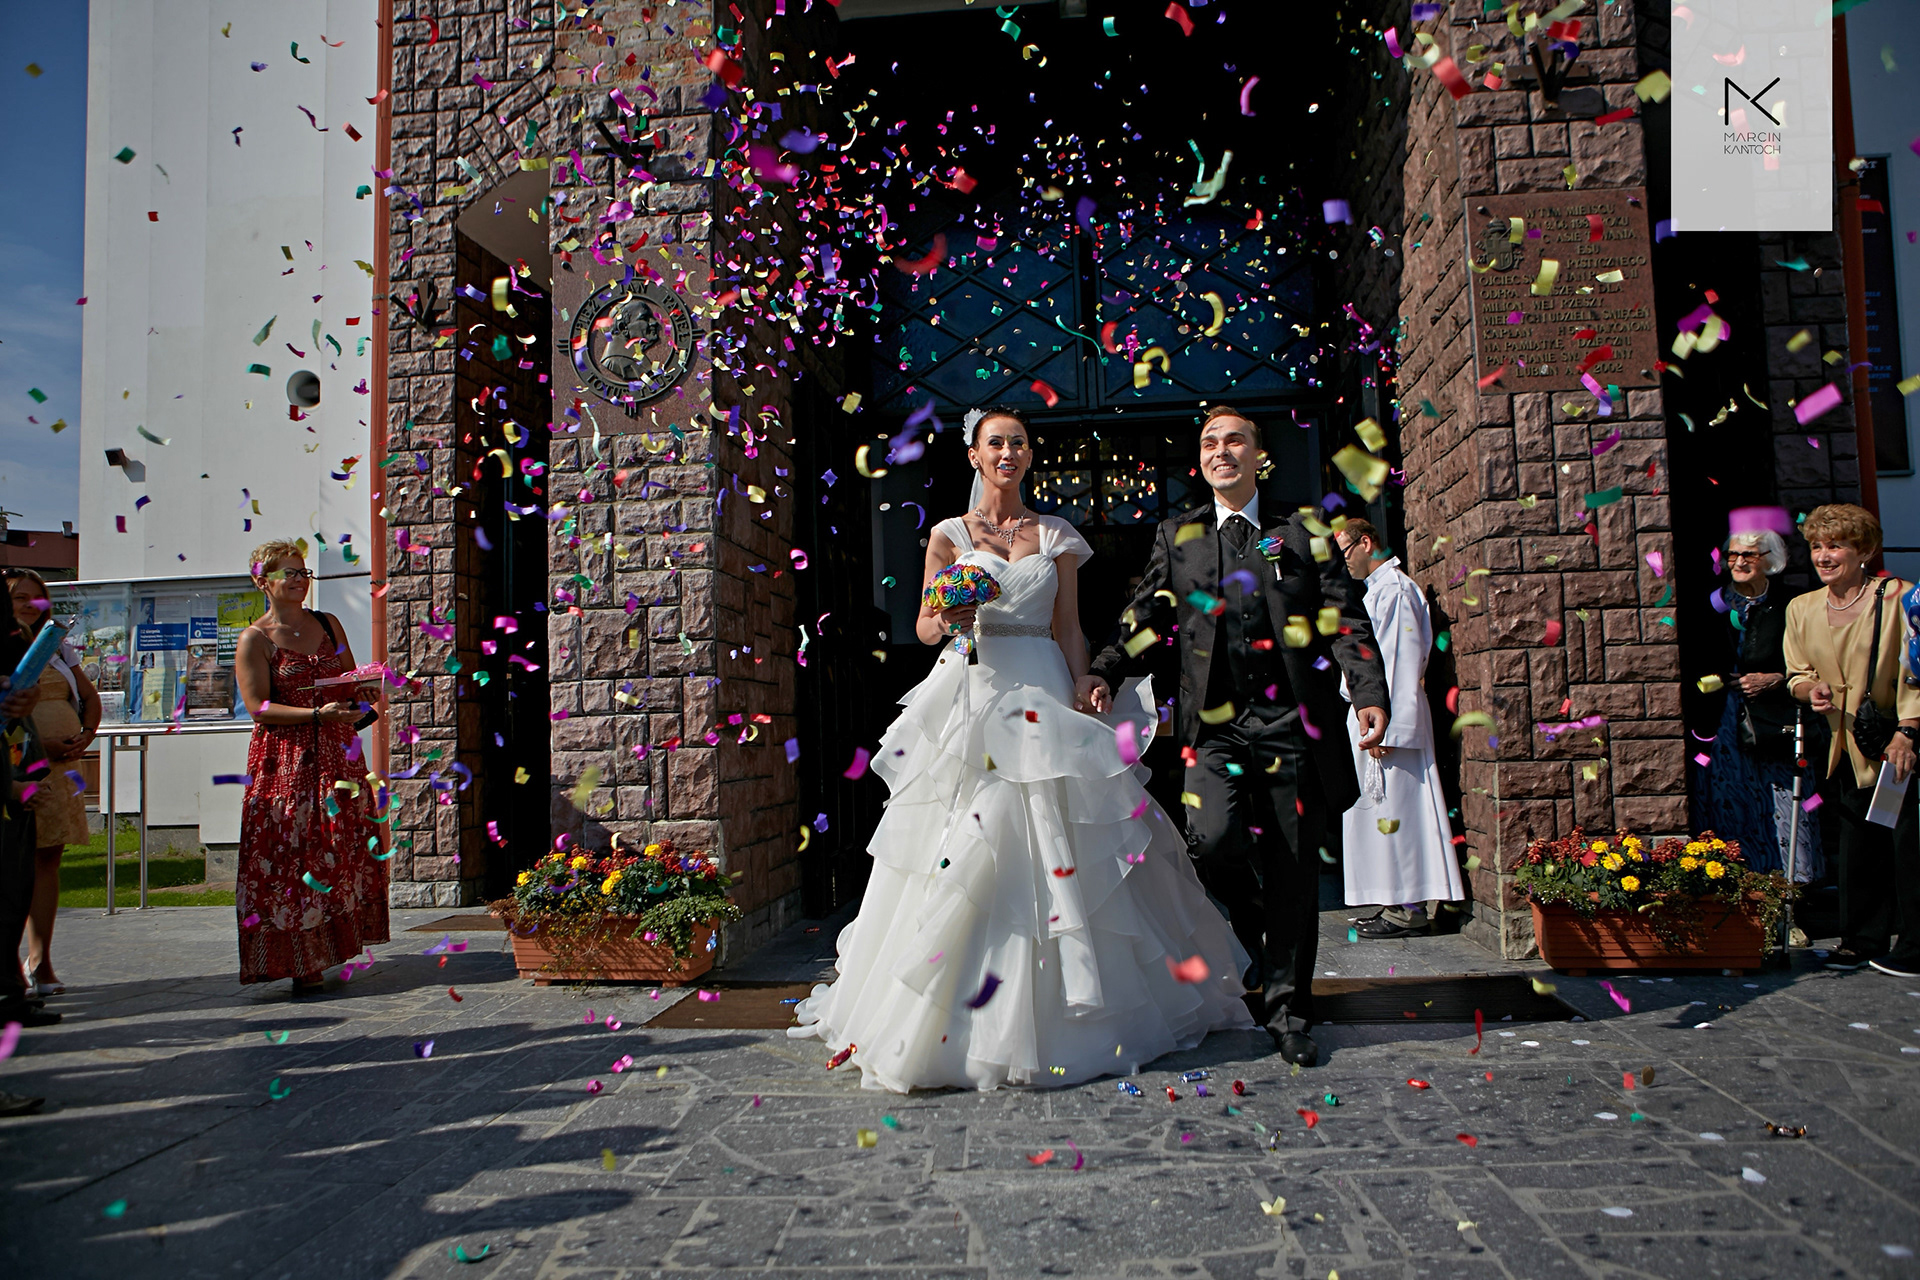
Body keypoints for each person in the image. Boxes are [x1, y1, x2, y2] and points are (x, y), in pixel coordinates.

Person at [787, 407, 1254, 1092]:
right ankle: (951, 1017)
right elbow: (924, 626)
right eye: (995, 443)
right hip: (974, 688)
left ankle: (1080, 1009)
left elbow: (1068, 628)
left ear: (1030, 455)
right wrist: (950, 616)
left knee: (1066, 833)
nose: (1007, 452)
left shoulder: (1056, 534)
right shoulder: (949, 534)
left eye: (1018, 443)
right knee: (965, 836)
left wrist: (1085, 684)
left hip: (1044, 686)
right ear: (974, 456)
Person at [1079, 405, 1390, 1067]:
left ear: (1258, 456)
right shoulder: (1179, 534)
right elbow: (1145, 614)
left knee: (1292, 866)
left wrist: (1367, 692)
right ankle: (1263, 930)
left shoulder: (1305, 529)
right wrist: (1105, 668)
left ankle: (1288, 1011)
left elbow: (1345, 619)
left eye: (1235, 440)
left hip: (1290, 725)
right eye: (1210, 443)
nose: (1221, 451)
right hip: (1213, 729)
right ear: (1201, 460)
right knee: (1212, 842)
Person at [233, 539, 388, 994]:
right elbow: (259, 707)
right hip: (287, 760)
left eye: (303, 572)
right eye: (289, 573)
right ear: (262, 581)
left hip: (337, 752)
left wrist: (364, 691)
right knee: (292, 853)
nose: (300, 580)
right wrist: (317, 714)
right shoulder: (255, 639)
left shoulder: (327, 622)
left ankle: (331, 946)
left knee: (336, 848)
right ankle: (299, 960)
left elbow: (349, 680)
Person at [1782, 504, 1920, 977]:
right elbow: (1797, 674)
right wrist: (1810, 690)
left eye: (1836, 545)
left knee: (1906, 844)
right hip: (1843, 741)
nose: (1824, 555)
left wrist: (1907, 732)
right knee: (1858, 842)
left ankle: (1915, 945)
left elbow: (1915, 671)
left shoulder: (1900, 597)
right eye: (1817, 546)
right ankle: (1861, 939)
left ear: (1864, 551)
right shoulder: (1801, 608)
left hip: (1893, 739)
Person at [1331, 519, 1463, 938]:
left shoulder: (1396, 591)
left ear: (1366, 542)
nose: (1342, 561)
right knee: (1381, 814)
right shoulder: (1378, 591)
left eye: (1344, 551)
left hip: (1386, 719)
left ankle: (1407, 911)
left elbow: (1399, 661)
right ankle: (1394, 904)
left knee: (1399, 813)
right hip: (1372, 714)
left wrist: (1388, 725)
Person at [1700, 530, 1824, 882]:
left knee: (1786, 801)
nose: (1739, 562)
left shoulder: (1792, 604)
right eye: (1733, 555)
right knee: (1732, 801)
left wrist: (1777, 679)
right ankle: (1741, 890)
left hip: (1777, 717)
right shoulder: (1713, 603)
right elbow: (1696, 661)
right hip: (1725, 719)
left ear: (1771, 560)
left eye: (1749, 555)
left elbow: (1814, 661)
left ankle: (1792, 891)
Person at [7, 568, 101, 997]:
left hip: (61, 768)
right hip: (18, 766)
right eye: (19, 598)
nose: (29, 605)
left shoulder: (56, 646)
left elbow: (88, 696)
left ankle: (40, 958)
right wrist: (39, 746)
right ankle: (9, 965)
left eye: (36, 598)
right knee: (14, 864)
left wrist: (85, 734)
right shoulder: (6, 646)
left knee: (47, 861)